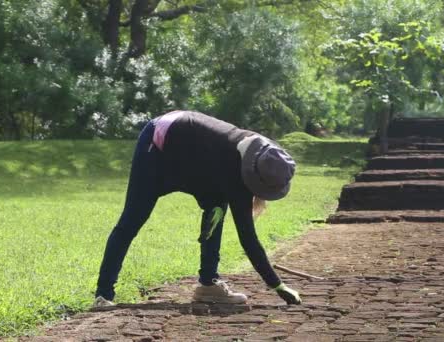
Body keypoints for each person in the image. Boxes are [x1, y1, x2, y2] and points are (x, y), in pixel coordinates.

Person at [93, 110, 301, 307]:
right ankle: (103, 295)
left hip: (198, 158)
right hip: (158, 145)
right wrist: (278, 286)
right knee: (132, 219)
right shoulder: (238, 171)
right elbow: (247, 238)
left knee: (216, 208)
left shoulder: (261, 157)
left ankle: (208, 284)